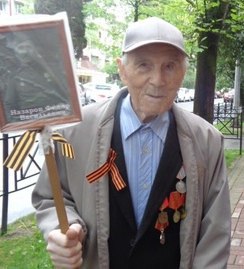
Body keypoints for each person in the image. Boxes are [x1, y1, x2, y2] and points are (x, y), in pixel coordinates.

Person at [32, 17, 231, 268]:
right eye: (144, 65)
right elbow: (51, 197)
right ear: (122, 70)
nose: (158, 80)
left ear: (183, 73)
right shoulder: (75, 132)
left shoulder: (207, 141)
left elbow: (216, 231)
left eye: (169, 66)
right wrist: (63, 226)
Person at [2, 32, 73, 123]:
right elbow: (9, 104)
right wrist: (18, 123)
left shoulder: (52, 71)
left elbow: (66, 96)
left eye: (28, 47)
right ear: (16, 52)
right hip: (29, 124)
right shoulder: (15, 76)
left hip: (55, 121)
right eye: (21, 48)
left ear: (35, 50)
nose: (25, 52)